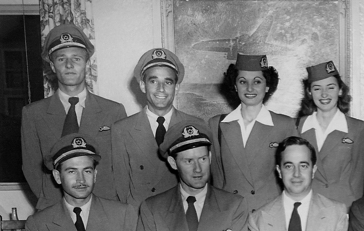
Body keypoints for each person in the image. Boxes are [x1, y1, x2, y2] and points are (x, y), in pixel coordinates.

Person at [22, 24, 126, 210]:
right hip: (54, 209)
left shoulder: (113, 111)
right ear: (53, 66)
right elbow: (31, 168)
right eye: (62, 59)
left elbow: (121, 167)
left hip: (105, 208)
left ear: (86, 63)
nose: (69, 65)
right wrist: (51, 203)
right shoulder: (33, 114)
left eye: (76, 59)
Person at [208, 53, 298, 211]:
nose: (250, 88)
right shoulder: (217, 125)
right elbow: (218, 179)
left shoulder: (284, 125)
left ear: (267, 86)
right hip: (231, 214)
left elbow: (294, 177)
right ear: (235, 86)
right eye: (243, 81)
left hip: (270, 215)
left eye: (257, 81)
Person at [112, 48, 199, 206]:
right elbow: (122, 188)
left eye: (168, 82)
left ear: (177, 87)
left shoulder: (194, 126)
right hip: (140, 218)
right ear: (142, 86)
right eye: (153, 81)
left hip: (181, 216)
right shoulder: (122, 130)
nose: (161, 89)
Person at [297, 61, 364, 208]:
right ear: (309, 93)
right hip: (307, 206)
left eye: (331, 87)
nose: (324, 94)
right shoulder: (298, 126)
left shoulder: (357, 128)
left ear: (340, 90)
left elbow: (359, 176)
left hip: (343, 207)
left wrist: (353, 211)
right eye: (317, 89)